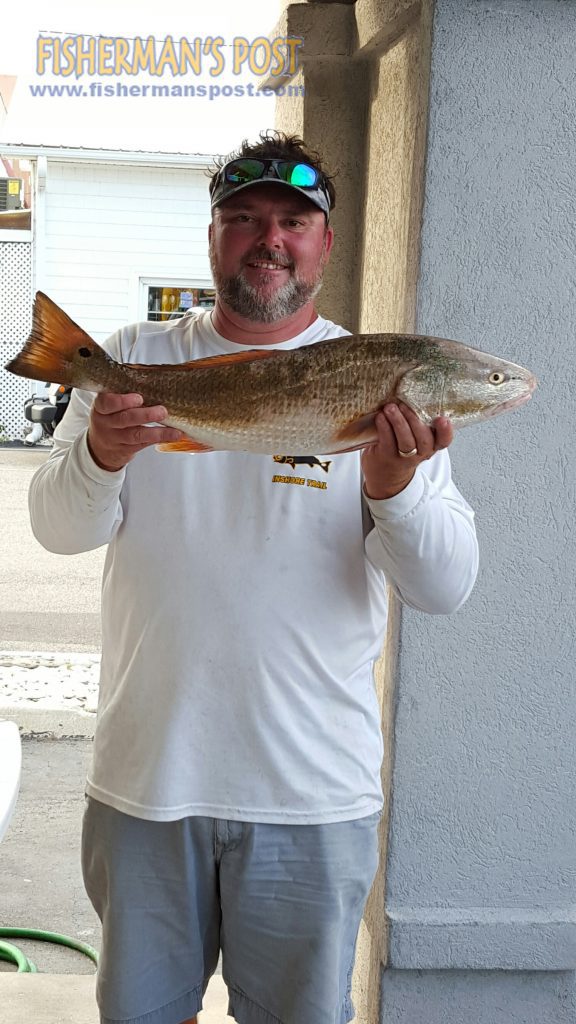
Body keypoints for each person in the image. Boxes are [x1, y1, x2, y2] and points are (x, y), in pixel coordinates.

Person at [29, 131, 479, 1024]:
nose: (267, 238)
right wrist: (102, 454)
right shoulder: (129, 357)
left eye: (291, 221)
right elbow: (58, 528)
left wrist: (392, 489)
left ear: (324, 243)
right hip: (150, 783)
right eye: (243, 219)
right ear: (212, 236)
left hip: (312, 795)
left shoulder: (376, 380)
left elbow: (444, 584)